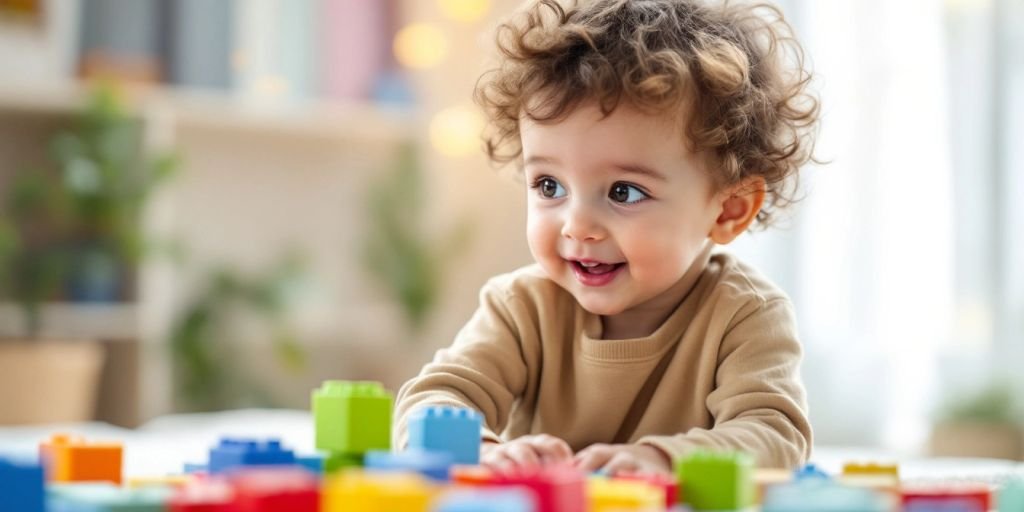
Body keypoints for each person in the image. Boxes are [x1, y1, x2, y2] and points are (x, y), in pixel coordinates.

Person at [393, 0, 820, 475]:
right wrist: (484, 449)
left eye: (624, 191)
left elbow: (775, 435)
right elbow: (435, 399)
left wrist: (661, 459)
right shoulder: (523, 307)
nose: (576, 225)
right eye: (549, 186)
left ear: (728, 209)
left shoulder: (744, 316)